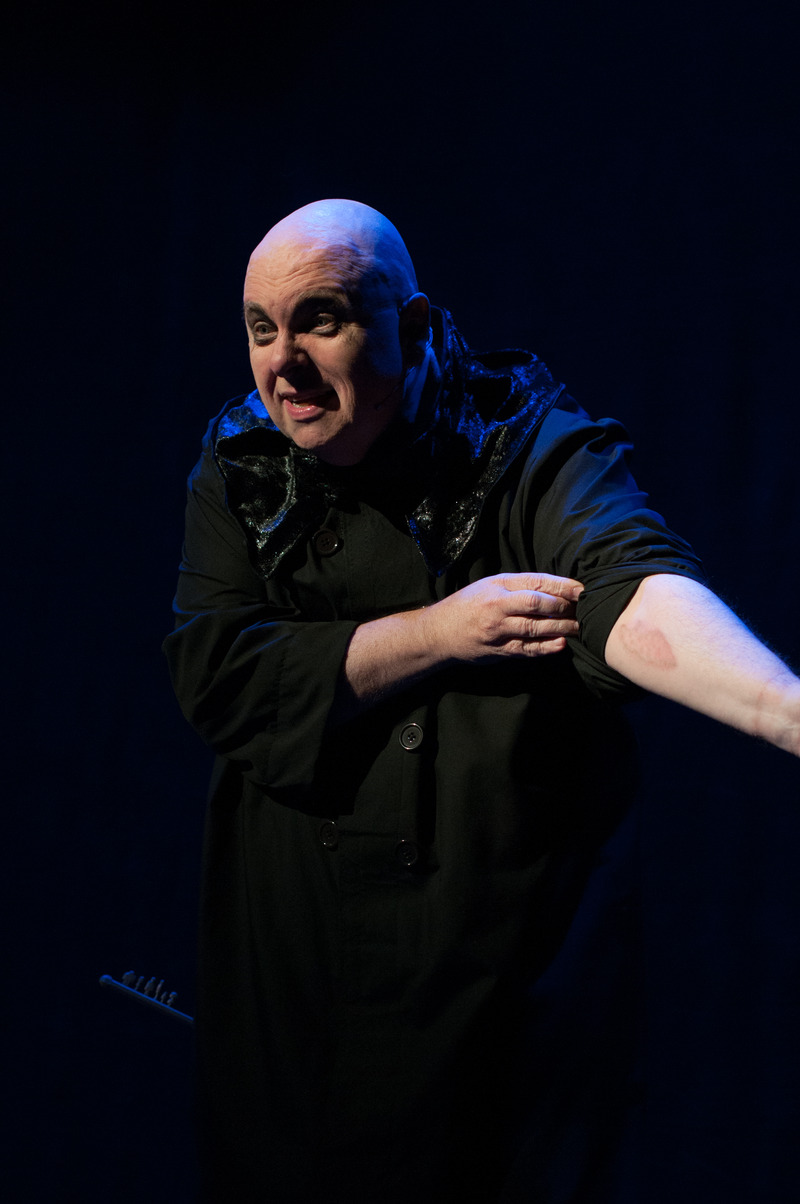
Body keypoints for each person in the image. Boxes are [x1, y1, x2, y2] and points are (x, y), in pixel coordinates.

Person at [164, 199, 800, 1203]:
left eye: (320, 320)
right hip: (302, 974)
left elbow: (628, 586)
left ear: (413, 327)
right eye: (260, 329)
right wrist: (437, 631)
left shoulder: (520, 439)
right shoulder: (240, 462)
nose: (283, 364)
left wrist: (785, 711)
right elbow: (220, 671)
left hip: (493, 976)